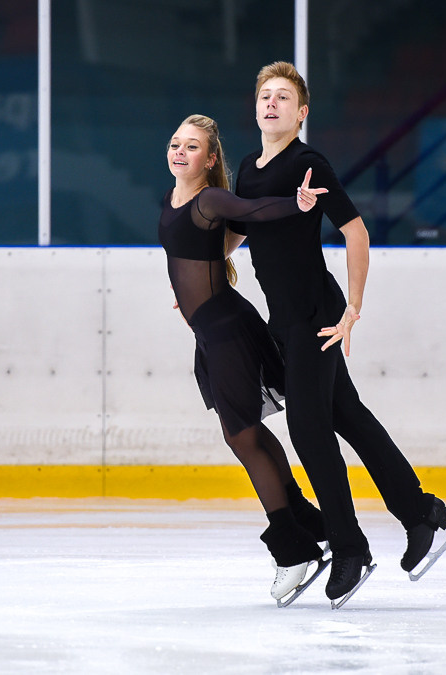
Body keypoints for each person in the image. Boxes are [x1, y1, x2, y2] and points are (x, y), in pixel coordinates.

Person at [226, 62, 446, 605]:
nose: (272, 104)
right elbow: (240, 231)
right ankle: (422, 512)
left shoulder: (309, 163)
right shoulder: (247, 168)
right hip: (284, 319)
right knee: (346, 414)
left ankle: (351, 549)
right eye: (265, 95)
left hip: (316, 314)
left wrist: (354, 306)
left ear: (301, 113)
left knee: (309, 430)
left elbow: (356, 231)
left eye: (284, 97)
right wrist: (200, 273)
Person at [159, 114, 329, 604]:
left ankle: (293, 551)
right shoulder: (174, 199)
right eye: (175, 143)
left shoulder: (210, 198)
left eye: (191, 147)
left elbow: (252, 210)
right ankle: (306, 522)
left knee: (243, 436)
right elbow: (207, 245)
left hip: (227, 328)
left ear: (210, 159)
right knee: (247, 434)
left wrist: (295, 203)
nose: (179, 152)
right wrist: (187, 290)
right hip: (209, 331)